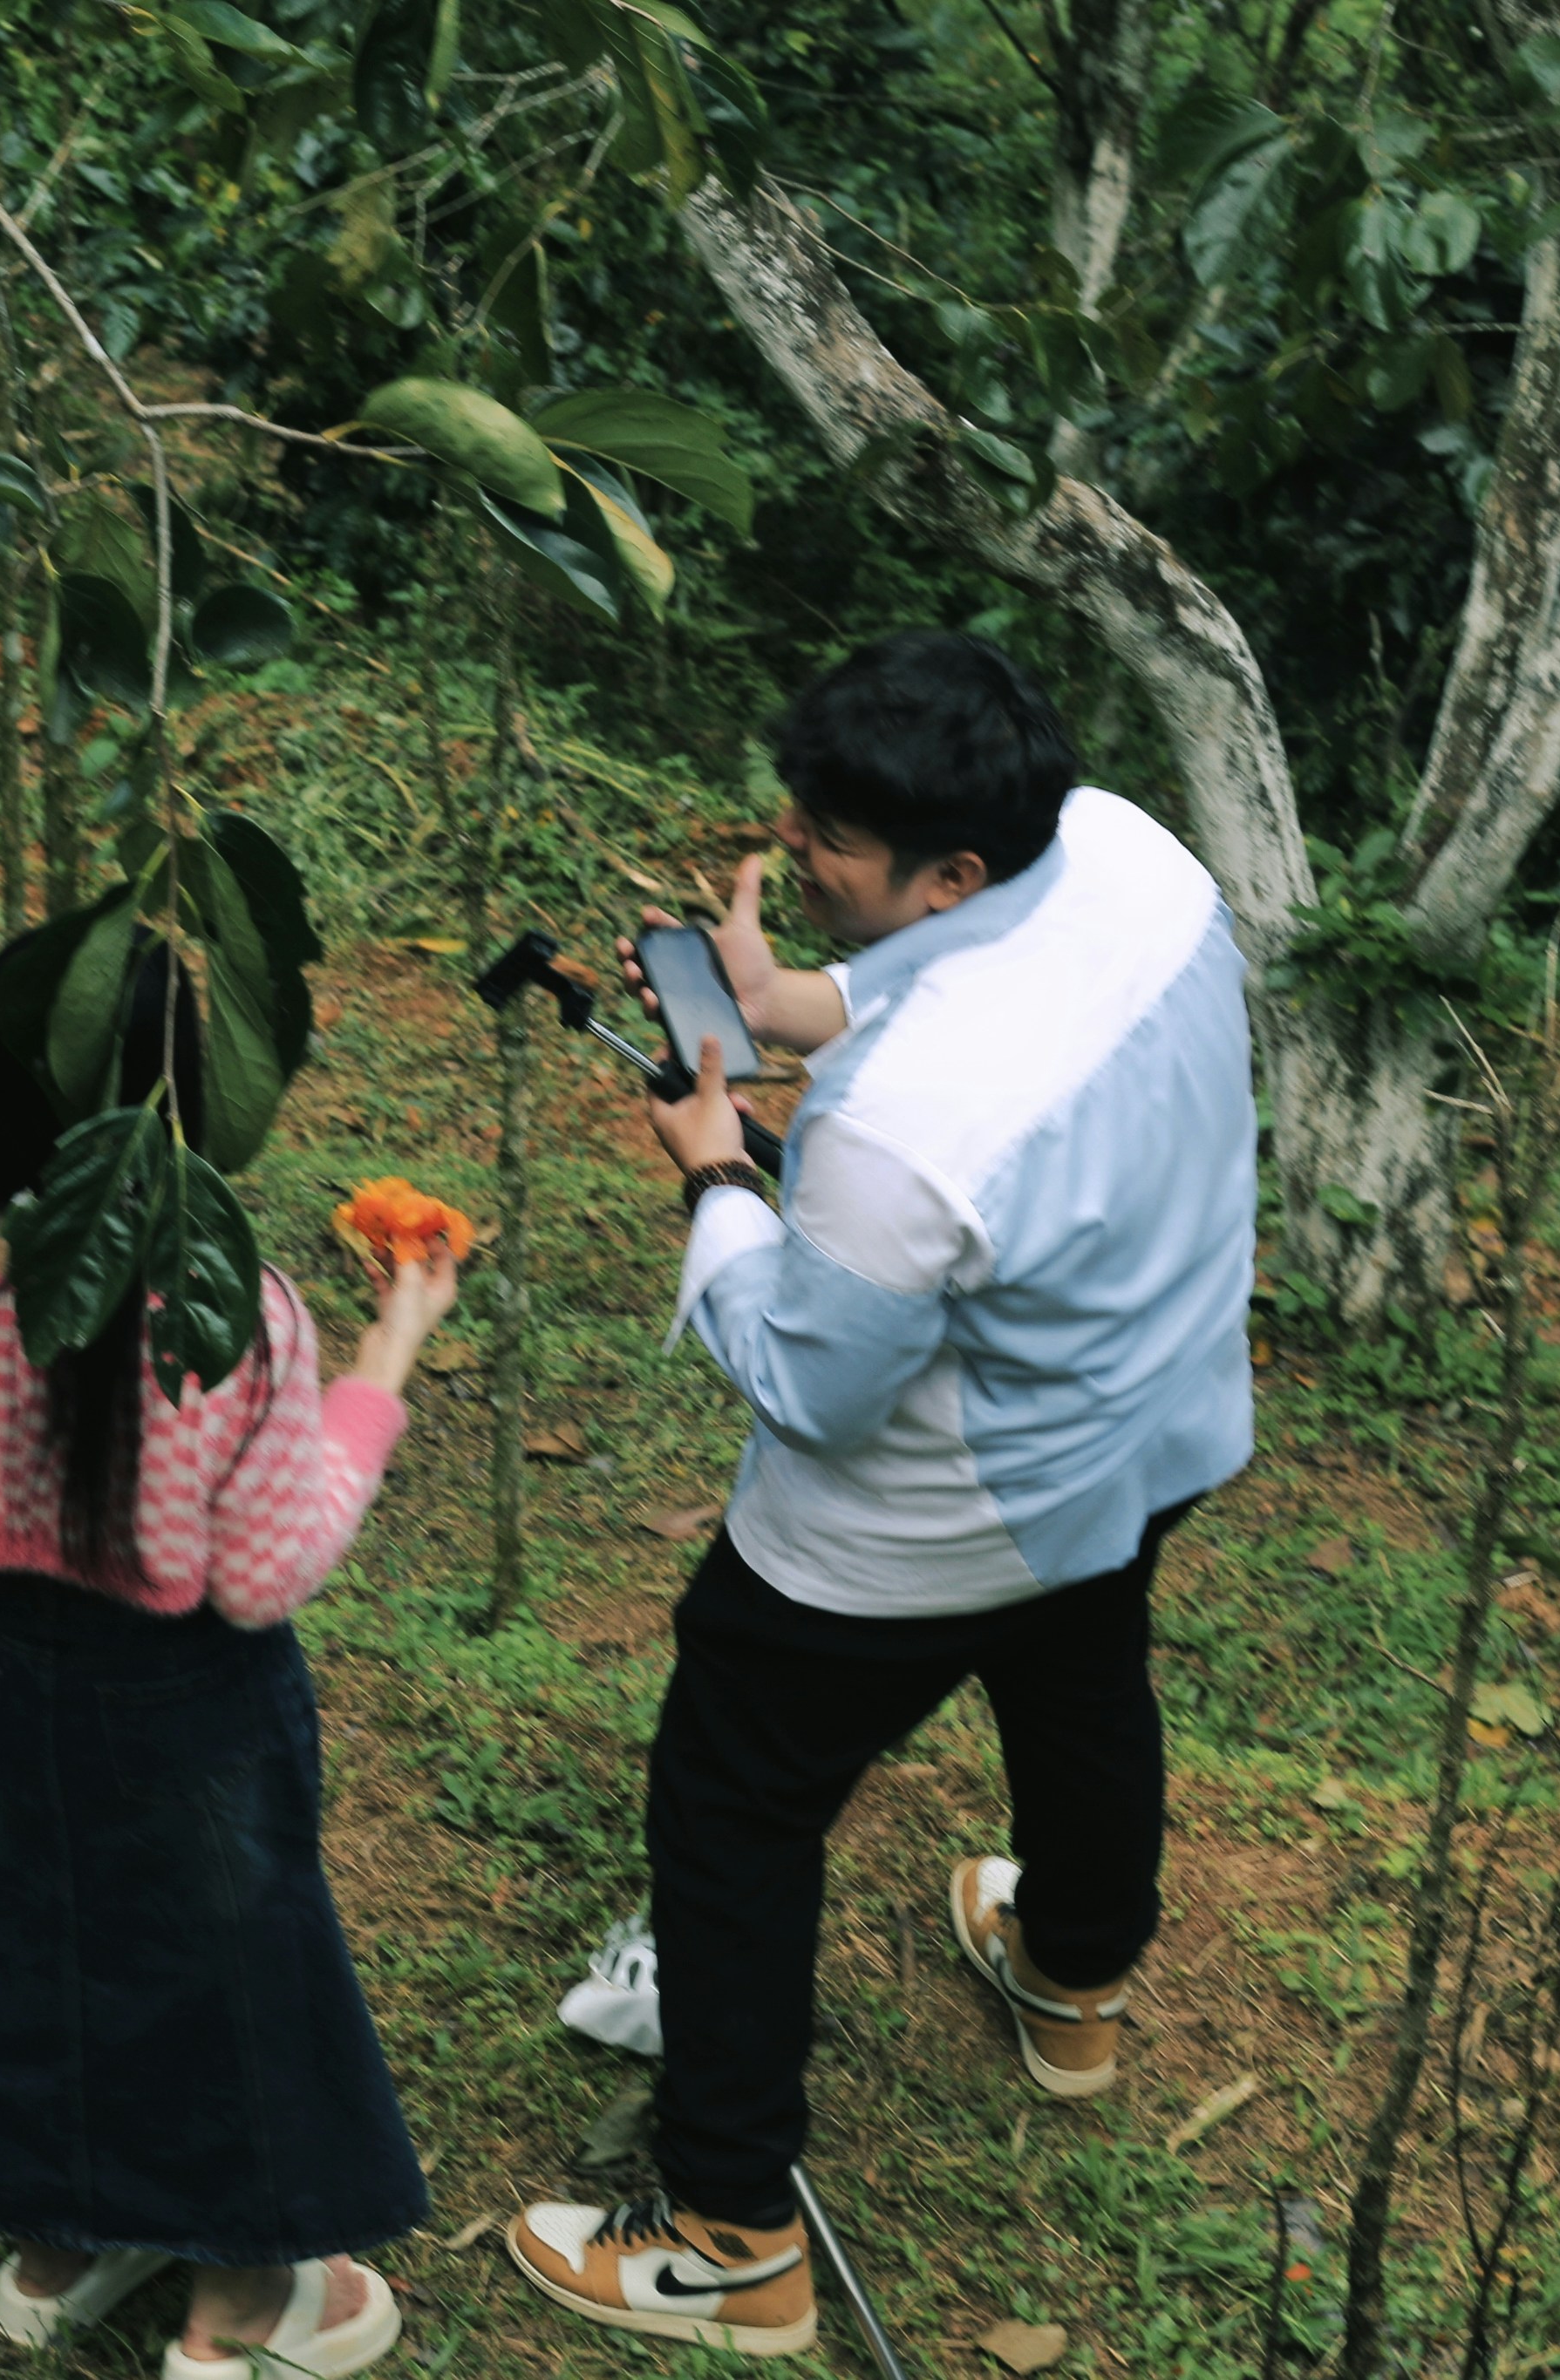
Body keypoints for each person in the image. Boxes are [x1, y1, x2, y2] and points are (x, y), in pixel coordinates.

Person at [509, 632, 1257, 2356]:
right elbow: (999, 983)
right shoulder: (1135, 856)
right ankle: (1071, 1980)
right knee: (1080, 1680)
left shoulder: (902, 1125)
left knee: (732, 1795)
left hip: (930, 1517)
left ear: (953, 870)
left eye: (830, 840)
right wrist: (789, 1002)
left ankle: (729, 2233)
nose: (791, 845)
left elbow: (811, 1382)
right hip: (1148, 1414)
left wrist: (716, 1179)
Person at [0, 927, 462, 2380]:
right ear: (188, 1105)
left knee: (28, 1926)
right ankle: (242, 2302)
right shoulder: (232, 1310)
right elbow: (264, 1575)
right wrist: (387, 1352)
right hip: (189, 1693)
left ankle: (58, 2246)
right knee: (229, 1966)